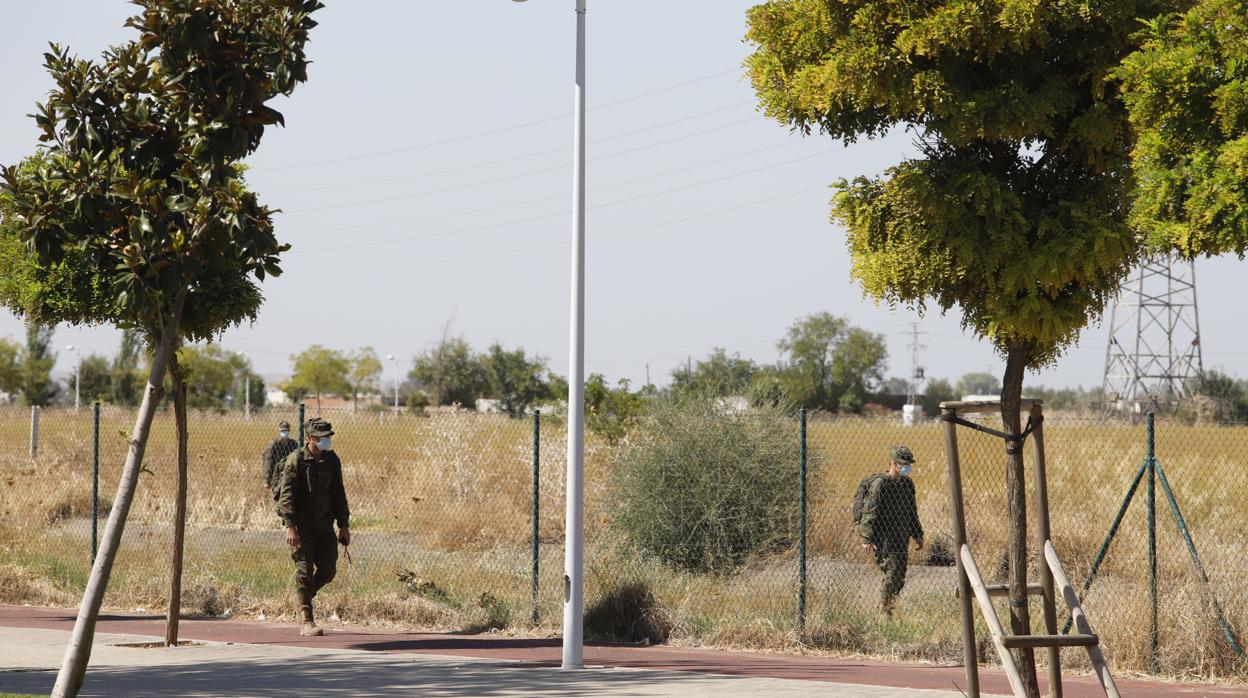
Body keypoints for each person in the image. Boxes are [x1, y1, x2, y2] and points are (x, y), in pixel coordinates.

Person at [276, 418, 350, 636]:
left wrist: (343, 525)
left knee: (328, 571)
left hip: (324, 526)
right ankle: (306, 619)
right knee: (304, 570)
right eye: (323, 437)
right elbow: (286, 497)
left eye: (329, 436)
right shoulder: (296, 460)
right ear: (311, 438)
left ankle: (304, 597)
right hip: (302, 527)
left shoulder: (331, 460)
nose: (327, 440)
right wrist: (291, 527)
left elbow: (339, 494)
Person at [858, 445, 924, 616]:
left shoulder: (907, 484)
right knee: (893, 572)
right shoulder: (881, 484)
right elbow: (869, 513)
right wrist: (866, 538)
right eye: (903, 464)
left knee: (900, 575)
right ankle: (885, 611)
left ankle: (890, 608)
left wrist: (917, 533)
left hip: (901, 537)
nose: (907, 467)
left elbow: (912, 511)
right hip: (884, 538)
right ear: (894, 463)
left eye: (908, 464)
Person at [262, 420, 299, 493]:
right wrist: (267, 480)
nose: (285, 432)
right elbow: (268, 463)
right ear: (279, 431)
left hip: (290, 474)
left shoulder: (293, 444)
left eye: (286, 430)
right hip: (277, 475)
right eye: (283, 431)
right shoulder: (274, 444)